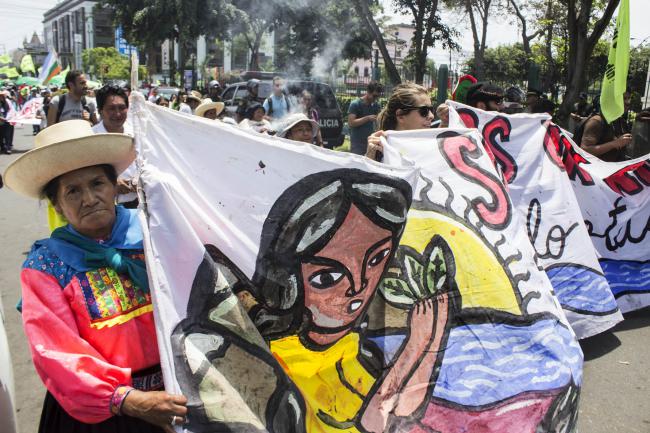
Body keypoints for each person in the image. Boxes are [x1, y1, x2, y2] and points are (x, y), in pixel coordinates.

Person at [2, 120, 188, 432]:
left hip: (176, 393)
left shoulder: (155, 233)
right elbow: (56, 353)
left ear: (115, 186)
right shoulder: (46, 265)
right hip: (102, 413)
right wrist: (126, 399)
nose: (88, 199)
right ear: (58, 206)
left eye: (97, 184)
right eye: (72, 191)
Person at [365, 83, 435, 161]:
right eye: (424, 111)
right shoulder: (379, 151)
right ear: (400, 116)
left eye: (431, 110)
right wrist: (369, 159)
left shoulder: (433, 148)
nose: (432, 116)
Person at [92, 84, 137, 208]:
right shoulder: (90, 138)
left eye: (122, 108)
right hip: (105, 207)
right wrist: (110, 182)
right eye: (111, 108)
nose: (117, 114)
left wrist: (139, 180)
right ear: (100, 111)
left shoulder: (137, 134)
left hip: (139, 204)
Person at [577, 93, 633, 162]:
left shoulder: (621, 122)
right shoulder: (597, 121)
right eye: (624, 98)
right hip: (596, 170)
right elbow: (585, 150)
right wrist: (615, 143)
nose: (628, 102)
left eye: (629, 98)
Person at [348, 81, 382, 155]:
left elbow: (379, 122)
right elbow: (351, 123)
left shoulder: (376, 105)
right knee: (357, 165)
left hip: (371, 142)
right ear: (368, 92)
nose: (376, 99)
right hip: (357, 143)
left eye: (378, 96)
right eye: (374, 96)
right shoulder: (355, 104)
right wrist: (367, 118)